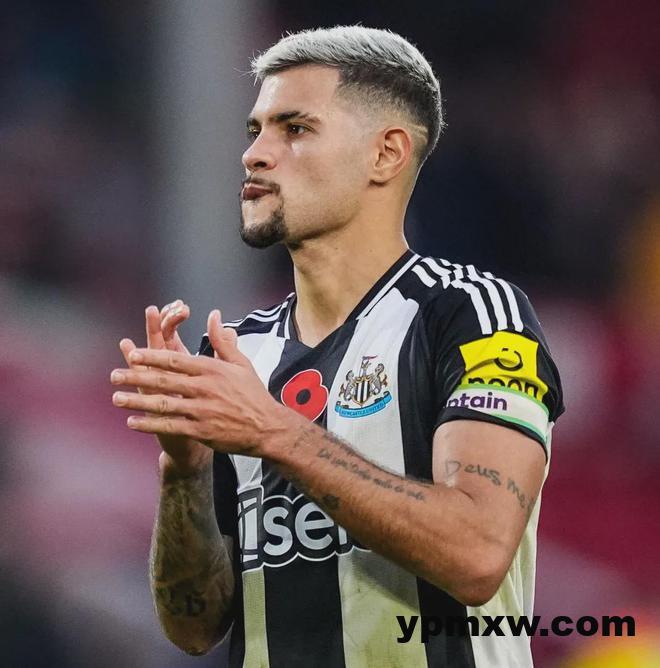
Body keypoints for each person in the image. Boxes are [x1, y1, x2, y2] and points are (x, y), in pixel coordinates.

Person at [111, 26, 564, 668]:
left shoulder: (473, 316)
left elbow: (477, 552)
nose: (255, 155)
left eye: (295, 129)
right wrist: (184, 471)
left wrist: (273, 432)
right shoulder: (240, 357)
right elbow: (195, 627)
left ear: (385, 155)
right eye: (255, 131)